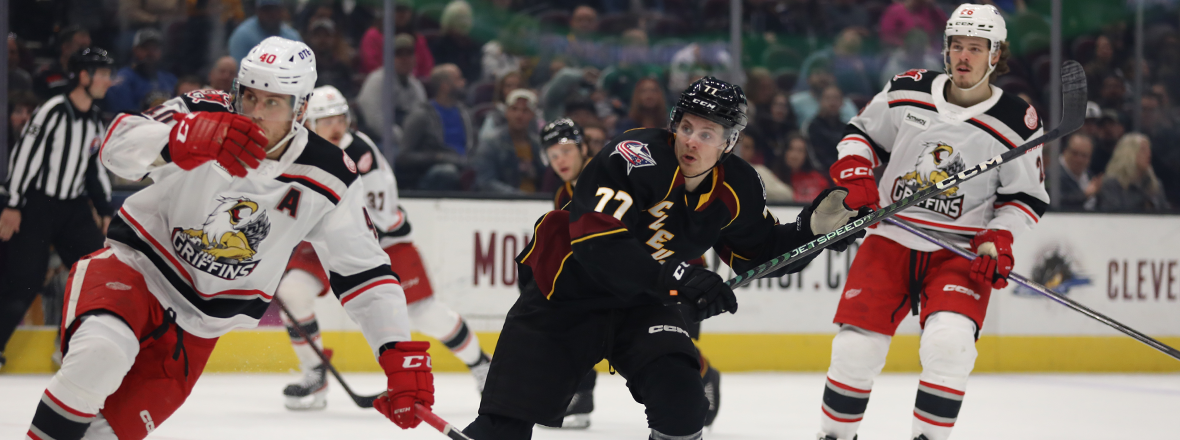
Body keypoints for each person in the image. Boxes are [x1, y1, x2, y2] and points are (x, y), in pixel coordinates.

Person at [25, 37, 433, 440]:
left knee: (103, 435)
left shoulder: (331, 173)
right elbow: (115, 146)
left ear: (301, 108)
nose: (255, 112)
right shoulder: (203, 109)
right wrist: (178, 140)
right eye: (249, 96)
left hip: (198, 329)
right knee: (100, 356)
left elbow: (363, 272)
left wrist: (395, 350)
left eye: (272, 102)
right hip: (136, 270)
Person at [462, 77, 865, 440]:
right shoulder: (633, 154)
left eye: (707, 133)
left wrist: (810, 233)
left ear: (729, 142)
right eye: (686, 127)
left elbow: (756, 254)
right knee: (502, 427)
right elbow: (597, 240)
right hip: (565, 296)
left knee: (684, 406)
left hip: (643, 306)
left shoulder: (739, 186)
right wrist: (679, 275)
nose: (691, 140)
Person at [817, 6, 1050, 440]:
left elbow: (1025, 197)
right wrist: (856, 171)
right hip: (891, 235)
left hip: (960, 251)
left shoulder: (1018, 120)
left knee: (950, 345)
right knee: (854, 349)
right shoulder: (909, 89)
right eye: (957, 46)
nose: (964, 56)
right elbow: (861, 135)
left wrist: (998, 237)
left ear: (995, 55)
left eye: (975, 49)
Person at [277, 86, 492, 410]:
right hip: (325, 236)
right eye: (326, 120)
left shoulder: (363, 154)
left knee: (423, 312)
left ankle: (482, 366)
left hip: (384, 241)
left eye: (340, 119)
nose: (335, 127)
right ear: (309, 124)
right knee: (293, 291)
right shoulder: (301, 152)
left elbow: (377, 217)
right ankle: (315, 374)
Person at [539, 118, 726, 429]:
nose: (560, 160)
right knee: (579, 320)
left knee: (670, 342)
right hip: (628, 271)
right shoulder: (563, 195)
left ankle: (704, 372)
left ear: (583, 148)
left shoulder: (615, 170)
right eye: (552, 154)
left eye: (566, 150)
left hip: (673, 266)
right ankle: (581, 392)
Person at [0, 47, 116, 370]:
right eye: (103, 74)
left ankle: (72, 346)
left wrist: (106, 209)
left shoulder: (93, 117)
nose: (108, 81)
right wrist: (13, 203)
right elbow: (25, 156)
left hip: (74, 208)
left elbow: (94, 167)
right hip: (38, 204)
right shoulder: (53, 110)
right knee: (24, 280)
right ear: (84, 76)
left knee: (96, 276)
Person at [398, 64, 474, 190]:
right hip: (435, 172)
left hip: (465, 164)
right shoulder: (421, 115)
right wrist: (438, 157)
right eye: (458, 79)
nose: (463, 82)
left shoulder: (465, 114)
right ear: (445, 86)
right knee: (446, 172)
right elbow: (403, 156)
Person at [473, 89, 545, 193]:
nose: (519, 115)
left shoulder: (538, 145)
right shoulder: (490, 143)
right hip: (504, 204)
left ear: (532, 115)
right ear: (506, 112)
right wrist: (518, 196)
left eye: (525, 111)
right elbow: (485, 182)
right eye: (514, 109)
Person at [357, 34, 426, 133]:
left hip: (407, 140)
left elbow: (421, 115)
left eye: (409, 54)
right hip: (377, 139)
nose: (404, 59)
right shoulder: (377, 81)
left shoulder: (415, 84)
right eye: (399, 54)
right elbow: (374, 120)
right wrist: (404, 138)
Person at [104, 29, 178, 115]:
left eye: (155, 48)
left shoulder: (170, 79)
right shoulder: (122, 80)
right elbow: (125, 118)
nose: (151, 53)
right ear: (135, 50)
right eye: (146, 48)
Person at [1097, 133, 1170, 212]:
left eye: (1149, 150)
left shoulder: (1155, 185)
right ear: (1129, 153)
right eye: (1143, 150)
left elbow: (1165, 213)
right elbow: (1112, 214)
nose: (1149, 154)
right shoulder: (1112, 184)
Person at [228, 0, 302, 62]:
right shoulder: (243, 35)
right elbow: (238, 73)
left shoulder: (292, 37)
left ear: (282, 11)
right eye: (266, 10)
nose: (271, 14)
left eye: (274, 9)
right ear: (257, 11)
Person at [33, 27, 91, 100]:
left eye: (88, 48)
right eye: (81, 48)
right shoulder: (45, 74)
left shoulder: (89, 75)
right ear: (65, 47)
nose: (86, 53)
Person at [774, 134, 831, 203]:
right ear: (784, 152)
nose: (795, 155)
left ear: (806, 154)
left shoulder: (817, 179)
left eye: (800, 150)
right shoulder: (774, 178)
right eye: (791, 149)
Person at [1056, 133, 1101, 211]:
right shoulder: (1052, 175)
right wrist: (1085, 195)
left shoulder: (1090, 176)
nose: (1079, 160)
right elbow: (1058, 201)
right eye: (1075, 153)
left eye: (1084, 155)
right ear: (1065, 151)